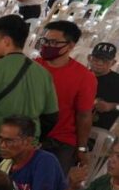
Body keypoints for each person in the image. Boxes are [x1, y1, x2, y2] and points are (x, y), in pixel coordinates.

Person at [0, 14, 58, 167]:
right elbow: (51, 117)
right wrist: (32, 139)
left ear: (6, 41)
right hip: (26, 153)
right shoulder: (43, 73)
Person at [37, 20, 96, 171]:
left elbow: (84, 116)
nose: (47, 46)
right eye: (45, 41)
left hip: (60, 141)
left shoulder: (84, 77)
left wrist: (81, 148)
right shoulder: (33, 66)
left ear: (70, 46)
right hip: (29, 135)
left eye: (54, 42)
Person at [89, 41, 119, 130]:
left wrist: (112, 106)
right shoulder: (80, 76)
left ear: (113, 62)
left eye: (105, 61)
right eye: (96, 59)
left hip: (100, 132)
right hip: (73, 126)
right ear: (90, 58)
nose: (99, 63)